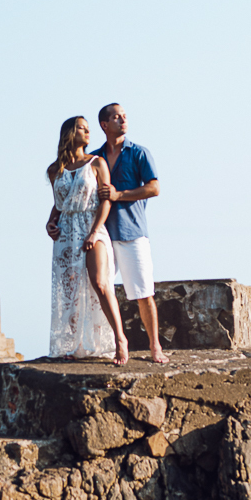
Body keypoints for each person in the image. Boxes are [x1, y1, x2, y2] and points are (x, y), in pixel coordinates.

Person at [46, 115, 129, 365]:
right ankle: (72, 344)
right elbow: (59, 204)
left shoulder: (96, 163)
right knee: (69, 290)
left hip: (92, 227)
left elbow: (106, 200)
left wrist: (95, 231)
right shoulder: (54, 170)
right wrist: (50, 222)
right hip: (66, 233)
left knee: (100, 283)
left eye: (88, 129)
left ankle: (120, 340)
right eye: (82, 128)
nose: (88, 132)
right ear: (71, 133)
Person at [93, 103, 165, 363]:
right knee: (100, 290)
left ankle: (155, 347)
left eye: (124, 116)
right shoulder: (95, 158)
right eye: (116, 117)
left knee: (143, 293)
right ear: (104, 124)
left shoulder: (139, 153)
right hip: (103, 235)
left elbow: (154, 188)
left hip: (133, 232)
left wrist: (119, 195)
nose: (123, 120)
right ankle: (113, 344)